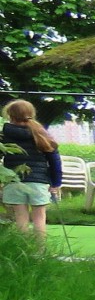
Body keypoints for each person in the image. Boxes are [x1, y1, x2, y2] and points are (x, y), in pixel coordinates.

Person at [2, 99, 58, 247]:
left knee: (21, 217)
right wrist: (56, 183)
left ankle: (23, 250)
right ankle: (40, 252)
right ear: (31, 114)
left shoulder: (5, 134)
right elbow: (54, 160)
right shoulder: (41, 133)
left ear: (9, 115)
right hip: (38, 182)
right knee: (39, 217)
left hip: (14, 181)